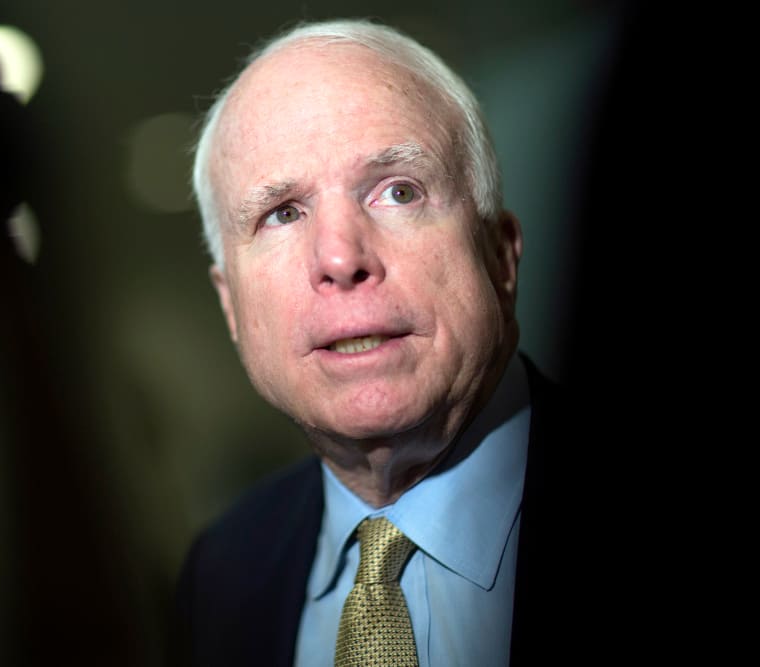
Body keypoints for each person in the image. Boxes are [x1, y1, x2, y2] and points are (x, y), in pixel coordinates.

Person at [176, 18, 591, 666]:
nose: (341, 257)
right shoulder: (222, 572)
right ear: (231, 304)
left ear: (501, 258)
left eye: (398, 191)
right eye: (282, 211)